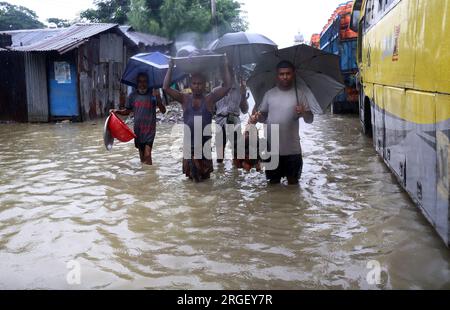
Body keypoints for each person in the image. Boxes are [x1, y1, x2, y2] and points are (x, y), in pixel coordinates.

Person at [163, 56, 232, 182]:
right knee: (191, 182)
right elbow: (166, 88)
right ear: (190, 85)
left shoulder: (209, 99)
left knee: (205, 181)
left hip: (204, 148)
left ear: (205, 85)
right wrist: (170, 67)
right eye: (194, 83)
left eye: (200, 83)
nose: (197, 86)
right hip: (189, 148)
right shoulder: (184, 99)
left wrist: (225, 65)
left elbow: (227, 86)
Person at [250, 60, 314, 185]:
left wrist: (303, 112)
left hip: (292, 150)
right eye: (282, 74)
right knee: (273, 186)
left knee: (293, 185)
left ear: (293, 74)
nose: (285, 77)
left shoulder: (300, 95)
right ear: (277, 75)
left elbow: (310, 119)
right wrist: (256, 118)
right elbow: (263, 116)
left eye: (288, 73)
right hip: (272, 150)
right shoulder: (269, 94)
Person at [111, 72, 166, 165]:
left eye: (145, 81)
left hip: (150, 131)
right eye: (140, 82)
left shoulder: (153, 95)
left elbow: (163, 110)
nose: (142, 84)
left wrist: (158, 98)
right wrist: (116, 111)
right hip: (138, 131)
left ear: (148, 83)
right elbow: (127, 112)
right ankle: (145, 174)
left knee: (148, 155)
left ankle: (149, 177)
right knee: (142, 157)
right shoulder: (132, 96)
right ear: (137, 83)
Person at [213, 67, 249, 167]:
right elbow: (211, 110)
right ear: (220, 76)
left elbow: (245, 110)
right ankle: (220, 172)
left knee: (237, 152)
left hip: (234, 120)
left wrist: (243, 95)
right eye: (223, 73)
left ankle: (236, 175)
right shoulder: (215, 91)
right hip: (219, 121)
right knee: (219, 155)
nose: (226, 76)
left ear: (232, 75)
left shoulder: (239, 89)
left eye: (228, 74)